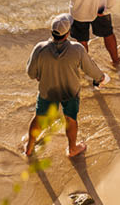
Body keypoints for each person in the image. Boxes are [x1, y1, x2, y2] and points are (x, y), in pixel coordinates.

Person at [25, 13, 107, 158]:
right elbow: (90, 69)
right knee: (70, 119)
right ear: (68, 33)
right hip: (70, 92)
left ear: (51, 31)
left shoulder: (40, 48)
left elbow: (31, 73)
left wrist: (39, 74)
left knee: (39, 117)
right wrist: (101, 78)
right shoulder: (77, 49)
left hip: (47, 91)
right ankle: (72, 149)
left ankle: (30, 148)